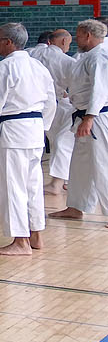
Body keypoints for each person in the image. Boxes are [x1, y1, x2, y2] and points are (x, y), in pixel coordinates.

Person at [0, 22, 56, 255]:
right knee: (32, 185)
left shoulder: (4, 68)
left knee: (13, 187)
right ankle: (36, 235)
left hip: (15, 132)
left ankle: (20, 242)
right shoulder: (39, 67)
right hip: (35, 130)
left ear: (8, 42)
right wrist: (43, 127)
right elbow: (51, 101)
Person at [49, 19, 108, 220]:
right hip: (83, 115)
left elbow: (100, 90)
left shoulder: (100, 56)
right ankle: (75, 207)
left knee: (102, 164)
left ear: (88, 35)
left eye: (78, 35)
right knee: (80, 165)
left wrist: (89, 118)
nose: (75, 39)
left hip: (97, 117)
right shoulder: (86, 56)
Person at [30, 28, 77, 194]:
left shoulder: (31, 53)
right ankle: (58, 182)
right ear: (63, 41)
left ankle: (61, 180)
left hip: (35, 106)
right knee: (63, 142)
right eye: (69, 43)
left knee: (48, 142)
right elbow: (78, 86)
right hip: (58, 105)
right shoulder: (68, 61)